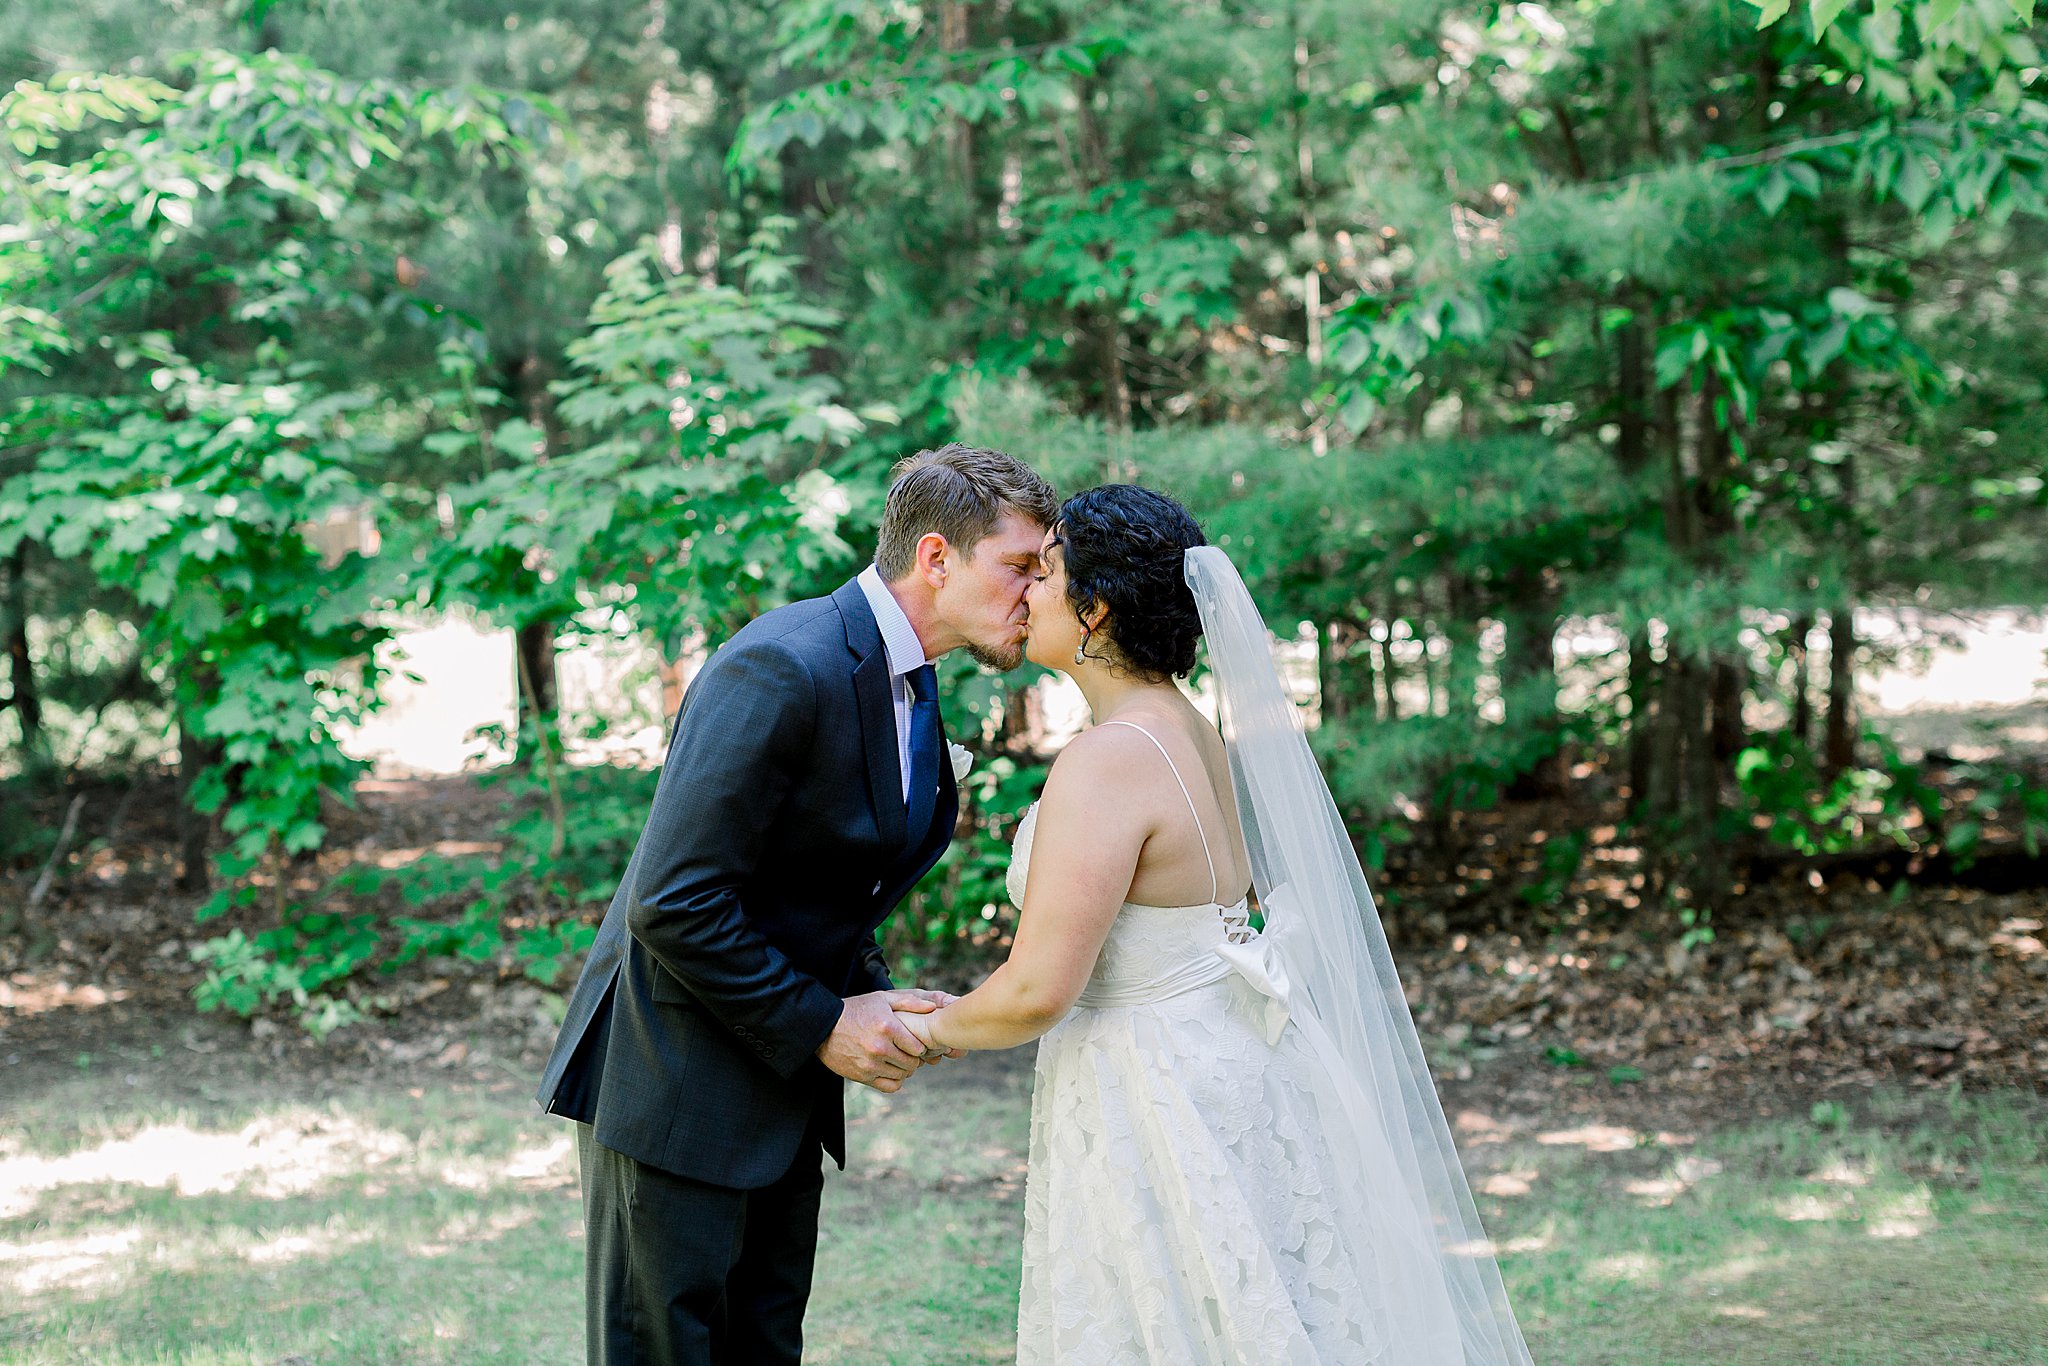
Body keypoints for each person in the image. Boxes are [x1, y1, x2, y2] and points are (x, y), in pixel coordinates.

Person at [898, 484, 1536, 1364]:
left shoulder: (1110, 758)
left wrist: (919, 1029)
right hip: (1232, 1062)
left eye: (1044, 574)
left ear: (1096, 608)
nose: (1024, 592)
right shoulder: (1185, 729)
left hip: (1158, 1091)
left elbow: (1041, 989)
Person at [533, 443, 1059, 1366]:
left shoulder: (916, 686)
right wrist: (823, 1023)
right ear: (936, 557)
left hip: (781, 1102)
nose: (1036, 591)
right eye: (1019, 565)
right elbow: (674, 899)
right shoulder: (783, 663)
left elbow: (822, 884)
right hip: (675, 1086)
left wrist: (880, 1000)